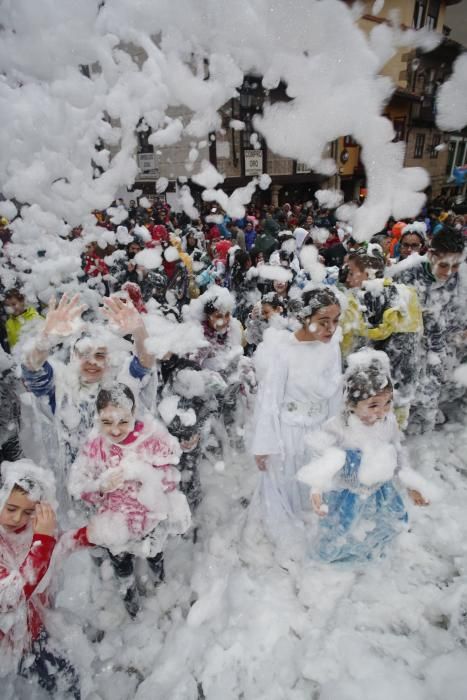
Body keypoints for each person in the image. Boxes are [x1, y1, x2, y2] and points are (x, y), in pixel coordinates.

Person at [21, 294, 155, 511]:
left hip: (120, 490)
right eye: (84, 354)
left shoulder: (119, 388)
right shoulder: (59, 390)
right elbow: (32, 369)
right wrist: (45, 337)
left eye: (100, 355)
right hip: (76, 494)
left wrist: (139, 331)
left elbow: (144, 364)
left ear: (108, 359)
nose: (92, 361)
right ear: (73, 356)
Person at [68, 384, 190, 618]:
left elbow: (171, 468)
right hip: (116, 525)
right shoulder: (96, 445)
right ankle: (130, 599)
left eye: (123, 421)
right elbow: (77, 484)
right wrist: (100, 486)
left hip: (150, 519)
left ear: (134, 413)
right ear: (98, 418)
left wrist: (150, 479)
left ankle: (159, 584)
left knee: (155, 554)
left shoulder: (151, 437)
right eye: (107, 422)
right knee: (121, 565)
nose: (115, 430)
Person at [297, 350, 430, 563]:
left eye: (387, 403)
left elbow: (396, 451)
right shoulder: (339, 427)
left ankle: (367, 553)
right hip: (347, 494)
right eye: (373, 405)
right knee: (341, 529)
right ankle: (330, 561)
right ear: (351, 404)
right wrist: (317, 487)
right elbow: (320, 457)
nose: (382, 411)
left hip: (379, 490)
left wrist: (410, 485)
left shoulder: (388, 423)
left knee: (383, 522)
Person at [249, 287, 342, 559]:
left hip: (319, 429)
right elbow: (269, 401)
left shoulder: (332, 348)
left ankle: (312, 524)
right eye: (323, 321)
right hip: (288, 431)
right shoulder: (285, 351)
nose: (331, 328)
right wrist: (264, 444)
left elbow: (335, 393)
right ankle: (286, 535)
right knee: (286, 481)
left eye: (335, 321)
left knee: (313, 481)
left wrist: (336, 434)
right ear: (305, 317)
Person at [0, 459, 92, 697]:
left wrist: (95, 533)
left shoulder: (27, 531)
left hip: (31, 634)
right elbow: (10, 596)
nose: (17, 518)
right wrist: (43, 541)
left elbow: (58, 546)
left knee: (67, 681)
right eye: (11, 509)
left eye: (28, 512)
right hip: (5, 643)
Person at [393, 226, 466, 433]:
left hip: (445, 355)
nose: (449, 272)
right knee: (407, 403)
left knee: (432, 399)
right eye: (443, 265)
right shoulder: (406, 277)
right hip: (410, 355)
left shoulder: (461, 280)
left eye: (456, 266)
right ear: (431, 255)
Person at [339, 249, 423, 428]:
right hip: (393, 398)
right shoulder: (406, 300)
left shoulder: (352, 306)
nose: (347, 279)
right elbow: (409, 358)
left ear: (369, 274)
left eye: (352, 273)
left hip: (362, 403)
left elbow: (345, 355)